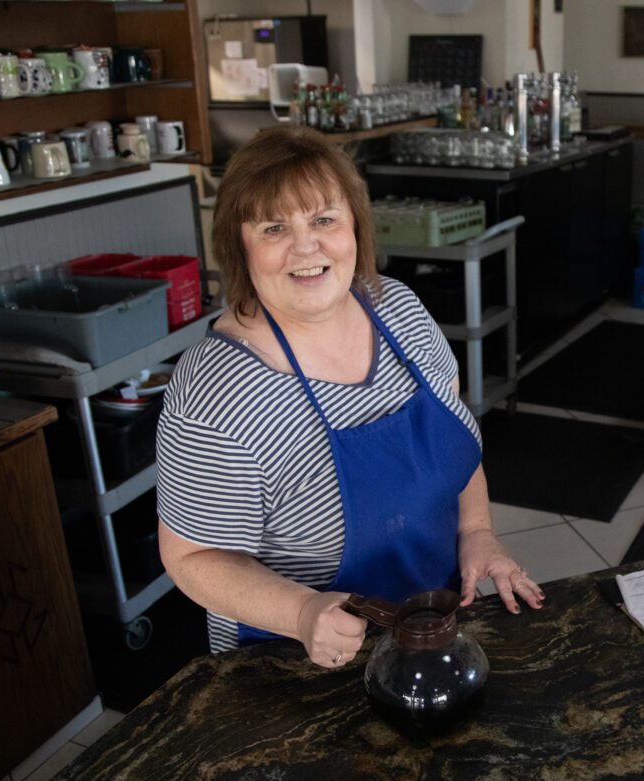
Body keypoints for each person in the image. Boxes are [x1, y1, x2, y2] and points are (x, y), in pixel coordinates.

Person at [156, 126, 543, 666]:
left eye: (323, 219)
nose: (306, 246)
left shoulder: (399, 311)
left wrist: (478, 533)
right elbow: (191, 556)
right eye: (273, 227)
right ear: (238, 247)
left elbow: (454, 449)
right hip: (294, 662)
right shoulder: (217, 394)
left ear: (355, 226)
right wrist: (301, 612)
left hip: (431, 623)